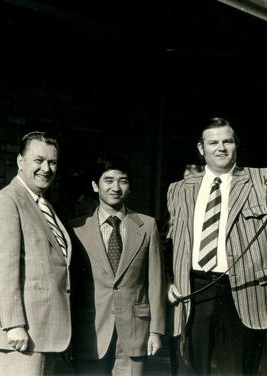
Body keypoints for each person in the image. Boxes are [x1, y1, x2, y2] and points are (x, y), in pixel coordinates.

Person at [166, 117, 267, 375]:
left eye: (227, 141)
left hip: (243, 292)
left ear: (236, 146)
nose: (221, 147)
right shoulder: (178, 189)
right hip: (194, 291)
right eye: (213, 142)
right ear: (201, 149)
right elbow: (171, 240)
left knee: (237, 370)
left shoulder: (261, 179)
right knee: (190, 369)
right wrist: (169, 280)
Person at [0, 131, 72, 376]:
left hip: (47, 334)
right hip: (22, 337)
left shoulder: (43, 204)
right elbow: (2, 270)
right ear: (20, 162)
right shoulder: (7, 201)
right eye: (38, 160)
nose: (46, 168)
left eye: (52, 162)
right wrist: (13, 325)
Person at [69, 158, 166, 376]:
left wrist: (156, 331)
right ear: (95, 185)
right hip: (89, 333)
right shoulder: (76, 229)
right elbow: (71, 286)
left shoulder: (147, 226)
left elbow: (156, 281)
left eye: (122, 181)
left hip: (135, 332)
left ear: (129, 186)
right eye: (108, 180)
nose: (115, 187)